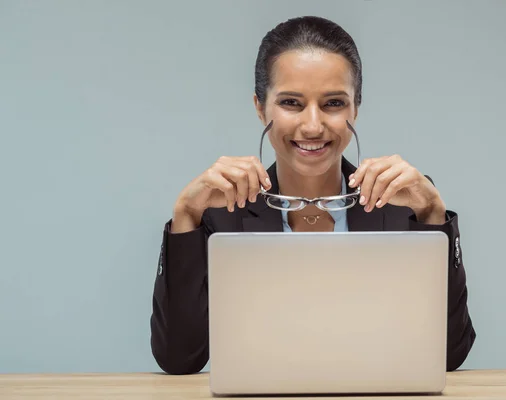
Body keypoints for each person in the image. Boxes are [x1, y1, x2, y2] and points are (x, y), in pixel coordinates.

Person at [150, 15, 476, 375]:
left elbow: (450, 354)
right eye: (291, 102)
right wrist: (185, 216)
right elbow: (179, 359)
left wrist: (433, 214)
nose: (312, 125)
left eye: (334, 103)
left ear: (356, 107)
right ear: (260, 108)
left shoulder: (403, 205)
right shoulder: (222, 210)